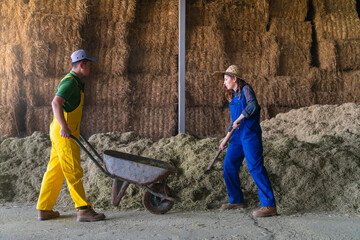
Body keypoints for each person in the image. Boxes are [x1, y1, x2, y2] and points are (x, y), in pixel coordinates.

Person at [37, 49, 105, 222]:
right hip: (63, 134)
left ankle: (44, 209)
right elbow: (55, 103)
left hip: (63, 132)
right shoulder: (69, 83)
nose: (91, 68)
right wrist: (65, 127)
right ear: (81, 65)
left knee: (55, 171)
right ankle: (83, 209)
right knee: (73, 170)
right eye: (89, 65)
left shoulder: (76, 82)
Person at [213, 65, 277, 217]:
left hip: (249, 135)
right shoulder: (232, 96)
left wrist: (240, 119)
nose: (224, 82)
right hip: (236, 137)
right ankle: (236, 200)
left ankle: (269, 205)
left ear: (235, 78)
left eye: (226, 79)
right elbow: (232, 122)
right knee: (229, 165)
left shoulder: (246, 90)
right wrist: (225, 139)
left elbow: (253, 106)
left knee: (255, 167)